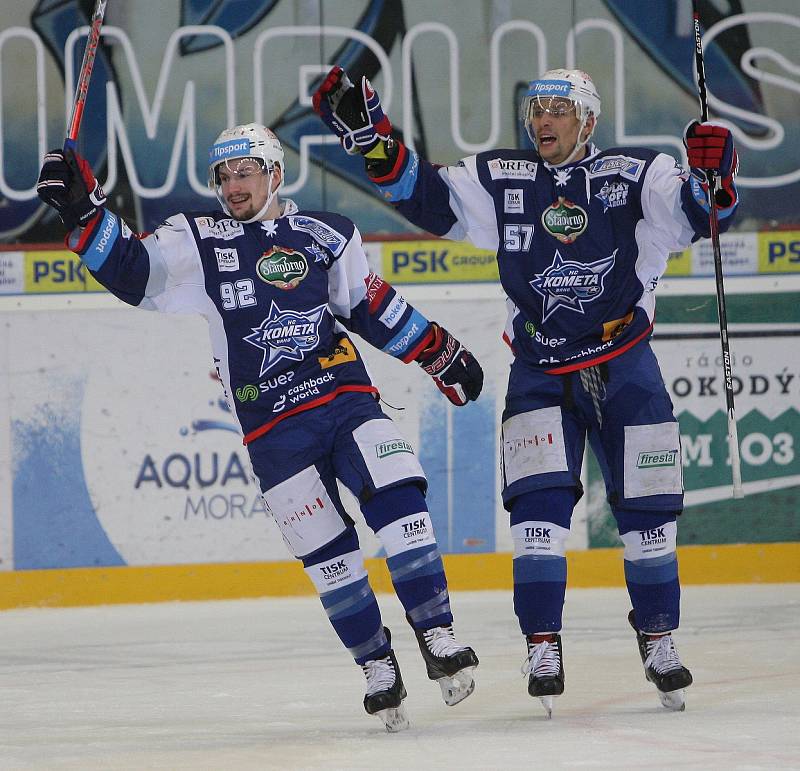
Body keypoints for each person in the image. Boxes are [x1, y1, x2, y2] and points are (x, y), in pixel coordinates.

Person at [313, 66, 740, 716]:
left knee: (650, 520)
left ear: (588, 121)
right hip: (541, 366)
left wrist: (717, 174)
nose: (543, 119)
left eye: (559, 109)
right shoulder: (501, 178)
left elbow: (703, 217)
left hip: (626, 363)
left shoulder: (639, 173)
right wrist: (374, 137)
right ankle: (542, 642)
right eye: (536, 107)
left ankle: (659, 636)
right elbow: (425, 196)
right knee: (537, 519)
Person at [36, 123, 484, 732]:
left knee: (401, 498)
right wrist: (84, 214)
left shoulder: (327, 232)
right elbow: (134, 271)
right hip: (271, 427)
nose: (232, 186)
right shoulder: (197, 240)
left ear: (275, 173)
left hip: (345, 398)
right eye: (223, 175)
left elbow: (368, 303)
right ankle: (378, 666)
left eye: (244, 171)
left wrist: (438, 350)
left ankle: (438, 634)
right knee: (330, 559)